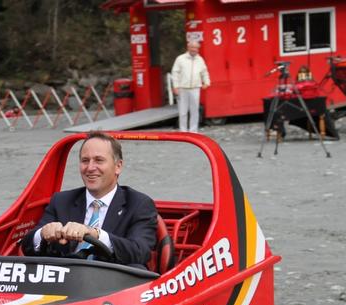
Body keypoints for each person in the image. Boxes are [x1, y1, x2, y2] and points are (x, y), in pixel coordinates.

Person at [21, 132, 158, 268]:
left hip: (114, 281)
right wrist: (43, 233)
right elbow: (27, 246)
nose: (90, 168)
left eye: (99, 160)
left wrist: (95, 234)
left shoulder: (139, 204)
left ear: (118, 166)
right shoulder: (61, 201)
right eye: (85, 160)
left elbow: (140, 251)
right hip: (63, 281)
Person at [171, 40, 211, 133]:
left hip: (195, 88)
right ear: (188, 47)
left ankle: (193, 131)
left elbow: (204, 72)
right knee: (183, 111)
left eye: (196, 48)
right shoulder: (180, 59)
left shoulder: (200, 60)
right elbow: (175, 73)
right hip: (182, 88)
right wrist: (175, 86)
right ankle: (183, 131)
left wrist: (207, 82)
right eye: (192, 47)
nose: (194, 49)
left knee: (195, 111)